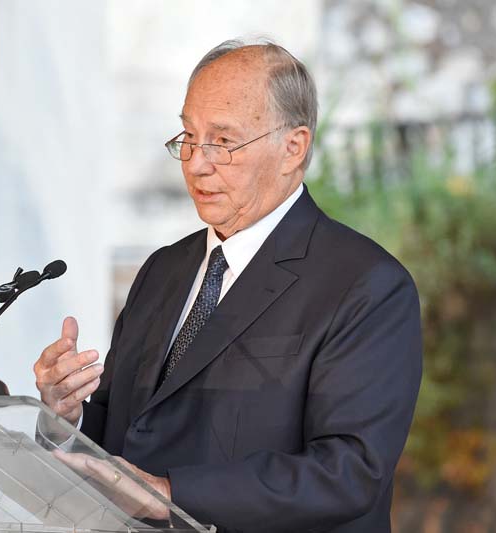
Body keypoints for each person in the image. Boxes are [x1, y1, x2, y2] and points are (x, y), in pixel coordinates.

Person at [33, 39, 422, 533]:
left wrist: (171, 495)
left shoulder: (366, 286)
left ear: (293, 147)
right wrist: (68, 420)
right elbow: (127, 431)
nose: (195, 163)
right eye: (189, 136)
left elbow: (348, 473)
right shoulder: (163, 270)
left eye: (222, 141)